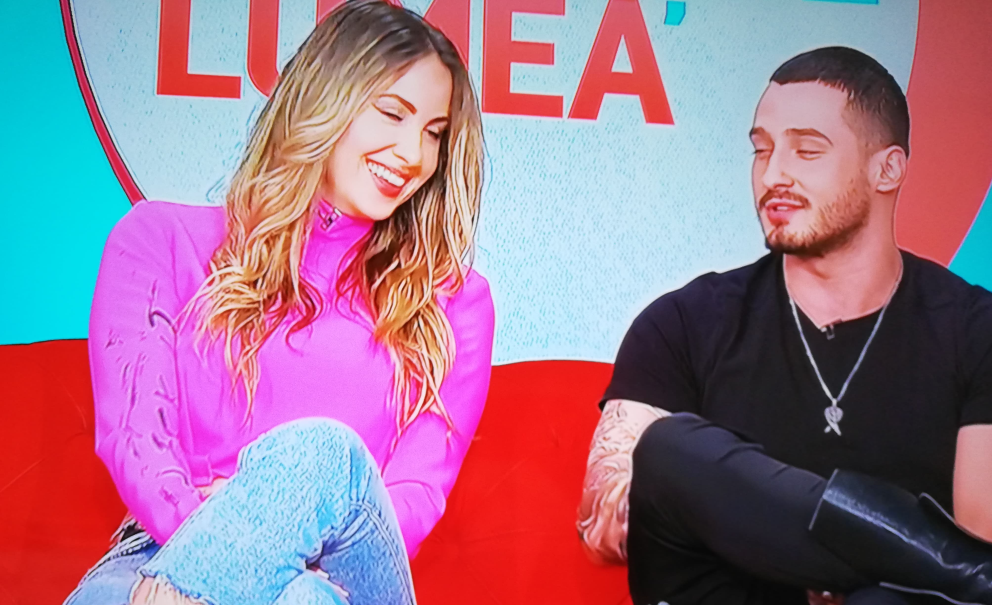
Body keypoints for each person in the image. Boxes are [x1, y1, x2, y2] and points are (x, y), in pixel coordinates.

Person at [64, 2, 494, 604]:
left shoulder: (454, 301)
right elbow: (136, 438)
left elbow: (416, 494)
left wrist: (269, 526)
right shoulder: (160, 240)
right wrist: (234, 541)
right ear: (323, 100)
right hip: (160, 547)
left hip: (346, 571)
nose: (413, 155)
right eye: (393, 114)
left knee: (324, 455)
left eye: (434, 134)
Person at [577, 46, 992, 605]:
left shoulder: (974, 330)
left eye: (807, 150)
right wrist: (774, 539)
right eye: (762, 150)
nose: (773, 175)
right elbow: (605, 519)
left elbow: (982, 538)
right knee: (667, 449)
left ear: (887, 169)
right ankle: (913, 567)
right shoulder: (683, 321)